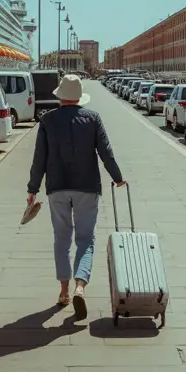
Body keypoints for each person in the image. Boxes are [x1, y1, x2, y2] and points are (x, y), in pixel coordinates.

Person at [26, 73, 124, 319]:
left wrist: (32, 189)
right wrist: (117, 177)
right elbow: (106, 152)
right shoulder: (92, 119)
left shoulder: (47, 120)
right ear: (79, 97)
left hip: (57, 187)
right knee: (85, 239)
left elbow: (39, 158)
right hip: (87, 187)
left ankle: (63, 291)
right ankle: (80, 286)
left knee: (61, 239)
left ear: (60, 96)